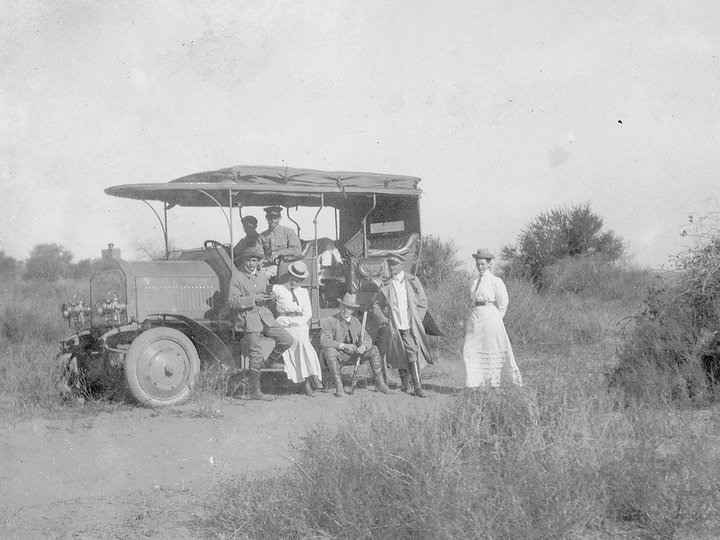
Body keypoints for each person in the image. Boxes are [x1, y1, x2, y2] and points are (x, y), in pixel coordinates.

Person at [228, 245, 293, 400]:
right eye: (249, 260)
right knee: (256, 354)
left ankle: (269, 363)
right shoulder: (237, 277)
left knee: (287, 340)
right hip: (249, 319)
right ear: (243, 261)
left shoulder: (262, 275)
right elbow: (232, 301)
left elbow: (265, 294)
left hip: (265, 316)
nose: (251, 263)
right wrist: (252, 299)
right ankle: (256, 392)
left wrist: (270, 298)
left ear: (258, 262)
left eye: (255, 260)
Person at [462, 248, 522, 389]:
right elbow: (471, 298)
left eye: (483, 264)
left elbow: (503, 303)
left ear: (489, 264)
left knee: (492, 349)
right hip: (476, 317)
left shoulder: (496, 281)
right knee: (469, 350)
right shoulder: (473, 280)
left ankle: (494, 383)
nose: (480, 267)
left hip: (490, 317)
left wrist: (496, 320)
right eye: (478, 264)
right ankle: (475, 383)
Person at [373, 254, 432, 398]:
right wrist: (384, 319)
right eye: (390, 265)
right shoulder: (386, 284)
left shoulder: (412, 281)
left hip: (409, 324)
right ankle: (405, 384)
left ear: (401, 265)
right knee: (399, 352)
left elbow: (423, 302)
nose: (392, 268)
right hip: (394, 326)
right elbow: (376, 305)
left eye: (394, 265)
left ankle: (418, 387)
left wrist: (417, 318)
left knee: (412, 351)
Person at [320, 293, 391, 397]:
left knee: (374, 349)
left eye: (349, 308)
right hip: (339, 355)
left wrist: (363, 347)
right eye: (344, 307)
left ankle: (380, 384)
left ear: (353, 310)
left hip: (355, 354)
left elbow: (367, 338)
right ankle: (339, 389)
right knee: (330, 351)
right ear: (340, 306)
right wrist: (343, 345)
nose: (345, 310)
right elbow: (324, 341)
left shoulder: (356, 322)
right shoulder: (330, 321)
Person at [272, 261, 323, 397]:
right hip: (284, 322)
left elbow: (308, 313)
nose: (296, 281)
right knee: (300, 341)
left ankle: (307, 380)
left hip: (300, 323)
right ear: (290, 275)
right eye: (294, 278)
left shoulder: (303, 292)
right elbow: (272, 305)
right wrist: (291, 322)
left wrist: (298, 322)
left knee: (302, 340)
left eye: (299, 279)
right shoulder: (277, 289)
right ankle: (311, 378)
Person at [260, 206, 302, 275]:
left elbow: (297, 250)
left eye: (275, 218)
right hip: (266, 266)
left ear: (280, 218)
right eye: (270, 218)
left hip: (284, 266)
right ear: (266, 218)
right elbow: (259, 253)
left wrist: (278, 253)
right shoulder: (262, 236)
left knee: (263, 275)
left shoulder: (288, 232)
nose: (273, 220)